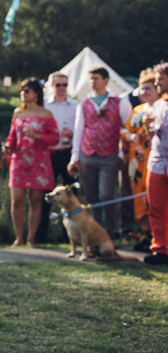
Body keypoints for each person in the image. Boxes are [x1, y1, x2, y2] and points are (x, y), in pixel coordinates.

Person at [68, 67, 132, 239]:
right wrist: (75, 157)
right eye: (91, 79)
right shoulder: (84, 104)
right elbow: (78, 130)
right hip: (88, 154)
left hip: (110, 155)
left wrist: (122, 153)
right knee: (91, 197)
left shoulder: (119, 102)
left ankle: (108, 233)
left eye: (96, 78)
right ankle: (94, 235)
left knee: (106, 195)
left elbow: (129, 126)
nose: (93, 82)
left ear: (105, 80)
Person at [2, 78, 59, 247]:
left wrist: (38, 136)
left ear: (36, 94)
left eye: (27, 91)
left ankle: (31, 238)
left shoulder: (46, 114)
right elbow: (12, 136)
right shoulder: (17, 113)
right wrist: (7, 145)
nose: (23, 94)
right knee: (17, 199)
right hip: (19, 160)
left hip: (39, 161)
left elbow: (55, 138)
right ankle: (18, 237)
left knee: (35, 200)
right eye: (21, 90)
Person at [36, 71, 79, 243]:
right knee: (46, 195)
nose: (62, 88)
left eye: (65, 84)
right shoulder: (45, 106)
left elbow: (81, 129)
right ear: (52, 86)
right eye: (58, 84)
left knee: (71, 196)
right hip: (50, 153)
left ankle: (70, 236)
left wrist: (73, 132)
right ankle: (40, 235)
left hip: (68, 153)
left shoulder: (76, 106)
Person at [123, 69, 158, 251]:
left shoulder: (162, 107)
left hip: (155, 160)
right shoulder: (137, 110)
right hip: (136, 162)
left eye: (149, 88)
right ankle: (145, 232)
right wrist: (130, 138)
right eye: (142, 89)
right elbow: (125, 130)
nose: (144, 92)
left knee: (154, 198)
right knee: (139, 198)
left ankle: (157, 235)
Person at [143, 62, 168, 265]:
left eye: (160, 79)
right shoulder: (159, 105)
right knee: (156, 207)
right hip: (157, 162)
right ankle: (160, 248)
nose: (157, 83)